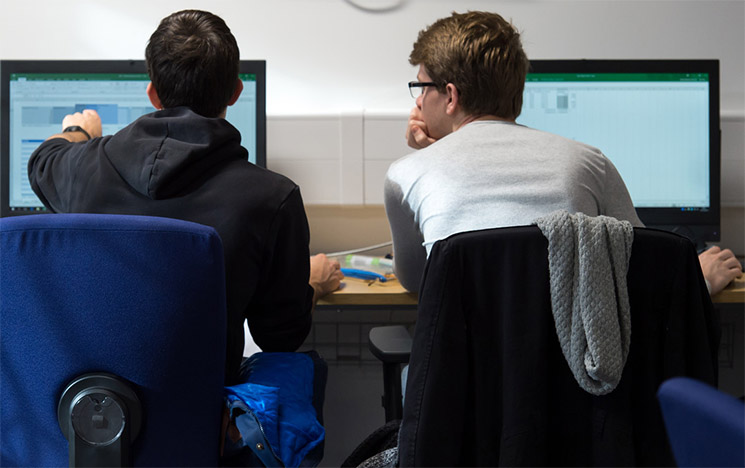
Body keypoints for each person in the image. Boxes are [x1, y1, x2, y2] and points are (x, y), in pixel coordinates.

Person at [27, 9, 343, 385]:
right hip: (202, 427)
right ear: (236, 92)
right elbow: (279, 338)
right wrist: (312, 283)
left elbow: (42, 160)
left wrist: (79, 131)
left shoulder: (81, 169)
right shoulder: (273, 198)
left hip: (92, 420)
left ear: (152, 93)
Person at [385, 10, 742, 295]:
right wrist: (702, 281)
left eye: (422, 86)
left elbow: (420, 283)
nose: (418, 100)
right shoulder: (590, 163)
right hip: (576, 383)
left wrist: (430, 157)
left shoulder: (405, 176)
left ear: (450, 96)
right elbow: (644, 277)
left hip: (459, 386)